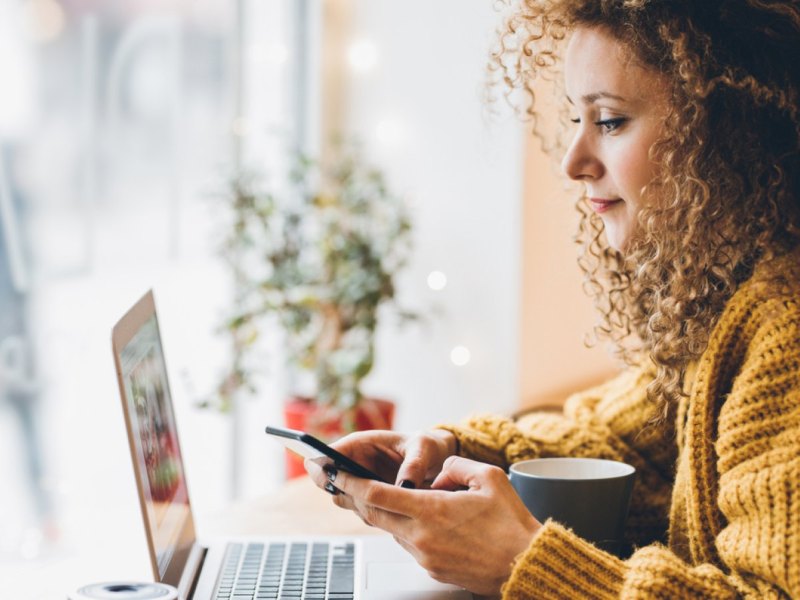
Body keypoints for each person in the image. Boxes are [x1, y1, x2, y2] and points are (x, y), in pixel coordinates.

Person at [306, 1, 800, 597]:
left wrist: (521, 562)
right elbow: (624, 448)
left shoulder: (786, 326)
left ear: (726, 132)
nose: (574, 163)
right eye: (577, 120)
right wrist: (449, 454)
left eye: (611, 121)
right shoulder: (725, 296)